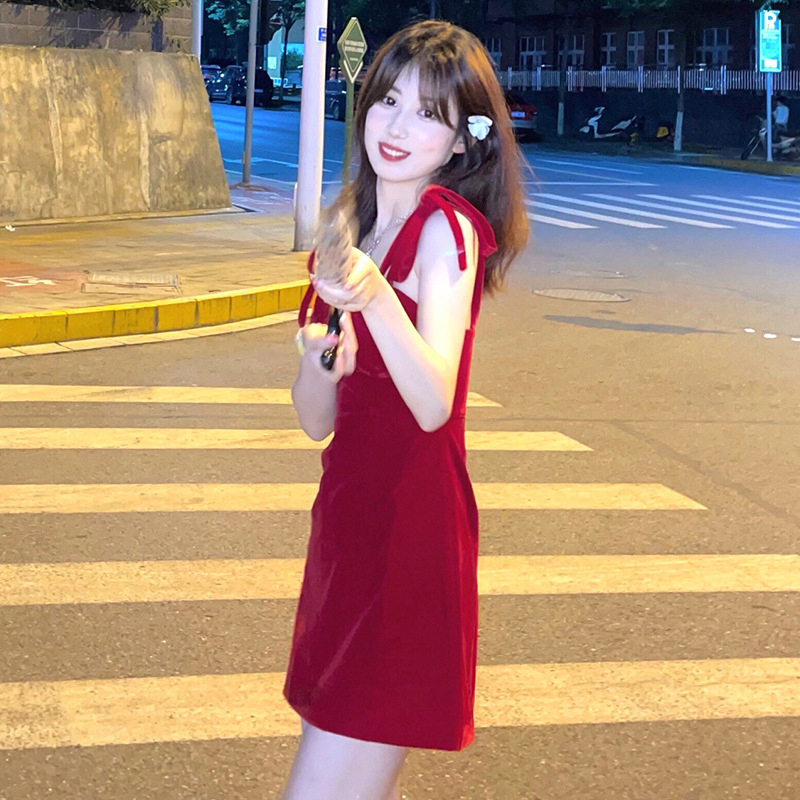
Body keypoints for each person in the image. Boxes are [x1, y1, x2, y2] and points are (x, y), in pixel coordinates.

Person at [282, 19, 529, 800]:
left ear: (460, 140)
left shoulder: (446, 229)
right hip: (348, 524)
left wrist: (378, 299)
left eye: (428, 114)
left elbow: (432, 403)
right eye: (388, 101)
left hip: (408, 535)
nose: (397, 127)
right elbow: (316, 418)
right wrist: (321, 360)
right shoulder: (349, 225)